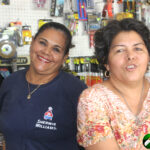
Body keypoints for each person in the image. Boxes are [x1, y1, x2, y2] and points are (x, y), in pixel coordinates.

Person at [0, 22, 87, 150]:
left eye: (56, 49)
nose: (46, 52)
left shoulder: (77, 91)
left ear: (64, 57)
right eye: (42, 43)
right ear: (33, 41)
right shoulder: (10, 83)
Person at [77, 18, 150, 150]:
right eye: (120, 50)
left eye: (138, 48)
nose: (130, 56)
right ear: (106, 62)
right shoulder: (93, 99)